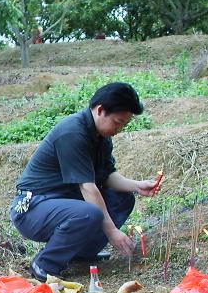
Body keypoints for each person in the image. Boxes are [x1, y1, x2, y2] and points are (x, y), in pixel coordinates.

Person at [10, 82, 158, 281]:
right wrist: (112, 232)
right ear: (100, 110)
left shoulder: (101, 136)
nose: (120, 129)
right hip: (33, 208)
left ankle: (81, 255)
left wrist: (137, 186)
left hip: (63, 203)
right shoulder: (72, 133)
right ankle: (45, 265)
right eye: (117, 122)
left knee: (122, 198)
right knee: (89, 213)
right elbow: (88, 188)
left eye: (124, 124)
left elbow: (106, 176)